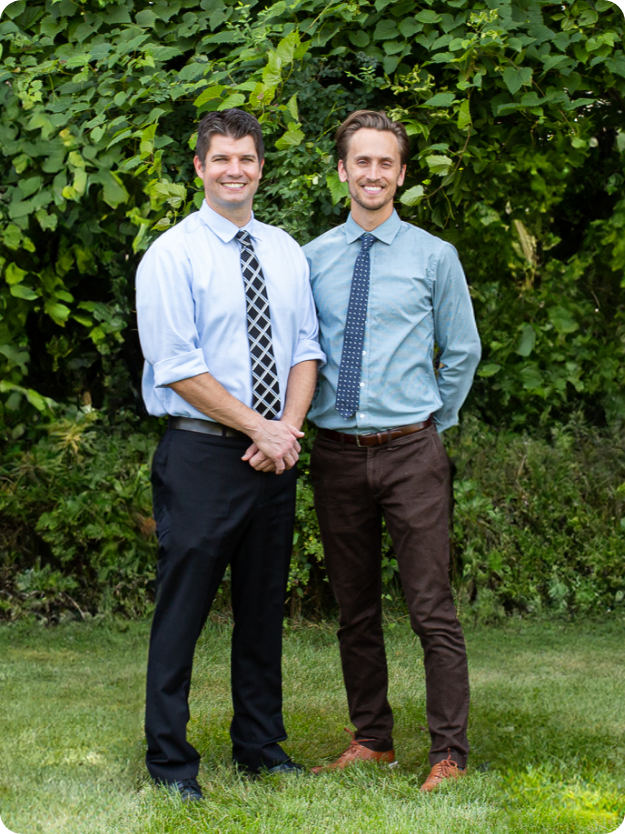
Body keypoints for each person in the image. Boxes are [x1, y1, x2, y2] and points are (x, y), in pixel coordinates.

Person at [136, 108, 325, 800]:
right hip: (202, 457)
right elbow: (177, 367)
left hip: (272, 457)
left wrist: (286, 430)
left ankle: (258, 745)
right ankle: (169, 761)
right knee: (181, 611)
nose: (234, 170)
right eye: (220, 159)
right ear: (198, 168)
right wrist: (259, 428)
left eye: (245, 158)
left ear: (260, 168)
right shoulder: (171, 255)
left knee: (261, 607)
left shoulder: (284, 250)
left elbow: (306, 347)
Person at [303, 110, 481, 791]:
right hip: (336, 453)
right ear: (342, 170)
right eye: (361, 162)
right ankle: (372, 738)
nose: (372, 173)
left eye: (386, 163)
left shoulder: (433, 256)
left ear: (400, 175)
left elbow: (461, 350)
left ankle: (448, 753)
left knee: (430, 604)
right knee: (353, 606)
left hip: (411, 451)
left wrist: (434, 421)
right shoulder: (311, 257)